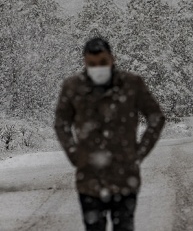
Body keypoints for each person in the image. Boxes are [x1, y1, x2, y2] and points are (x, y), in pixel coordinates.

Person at [54, 37, 165, 231]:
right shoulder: (73, 87)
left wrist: (138, 153)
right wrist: (74, 154)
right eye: (92, 64)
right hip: (89, 179)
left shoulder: (131, 84)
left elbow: (156, 117)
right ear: (85, 62)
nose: (98, 67)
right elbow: (61, 123)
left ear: (112, 59)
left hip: (125, 179)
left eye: (103, 62)